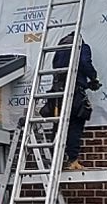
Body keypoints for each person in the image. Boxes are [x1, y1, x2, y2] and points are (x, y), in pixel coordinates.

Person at [40, 31, 100, 171]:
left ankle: (55, 160)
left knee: (59, 127)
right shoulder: (81, 47)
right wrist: (93, 78)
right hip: (74, 92)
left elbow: (58, 69)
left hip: (58, 94)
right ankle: (72, 160)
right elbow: (85, 63)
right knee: (75, 125)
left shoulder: (59, 50)